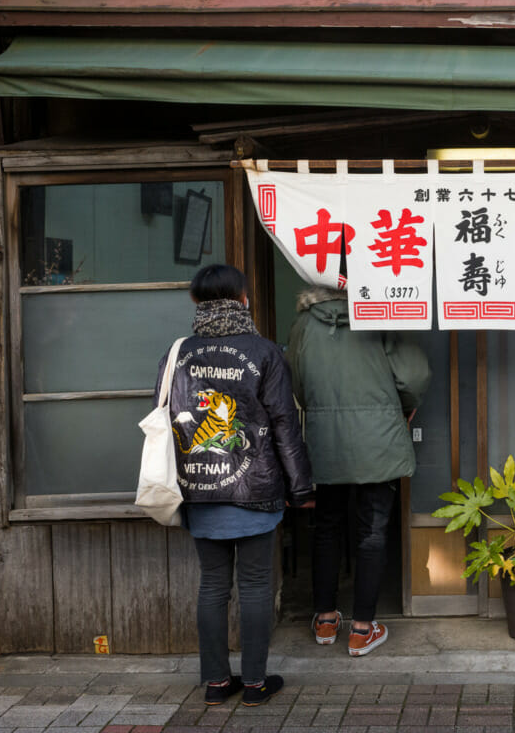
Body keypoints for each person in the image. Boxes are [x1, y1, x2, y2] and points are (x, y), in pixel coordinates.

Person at [156, 264, 312, 706]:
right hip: (255, 487)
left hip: (199, 487)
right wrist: (301, 485)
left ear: (196, 303)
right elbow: (284, 423)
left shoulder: (177, 354)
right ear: (244, 300)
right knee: (257, 585)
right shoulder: (263, 352)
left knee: (212, 585)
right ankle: (257, 683)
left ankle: (216, 682)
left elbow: (163, 415)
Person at [287, 287, 431, 657]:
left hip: (326, 438)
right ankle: (362, 628)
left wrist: (319, 410)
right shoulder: (379, 314)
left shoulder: (304, 324)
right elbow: (413, 376)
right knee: (373, 530)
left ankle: (325, 619)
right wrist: (405, 406)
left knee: (327, 526)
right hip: (378, 439)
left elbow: (298, 382)